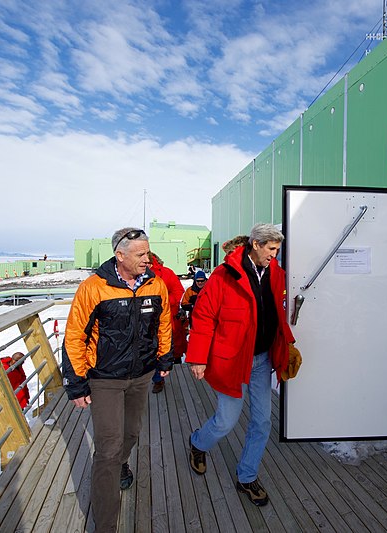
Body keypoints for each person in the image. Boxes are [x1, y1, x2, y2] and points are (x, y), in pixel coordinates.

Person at [62, 227, 173, 533]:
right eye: (141, 254)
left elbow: (163, 324)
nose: (147, 259)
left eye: (148, 253)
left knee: (132, 434)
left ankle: (122, 461)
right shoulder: (94, 288)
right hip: (105, 379)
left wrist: (165, 358)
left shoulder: (155, 285)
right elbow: (74, 336)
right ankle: (106, 525)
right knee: (108, 449)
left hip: (140, 377)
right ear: (119, 255)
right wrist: (77, 383)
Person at [186, 223, 298, 507]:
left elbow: (277, 314)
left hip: (261, 359)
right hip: (232, 360)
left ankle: (247, 476)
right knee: (227, 420)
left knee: (262, 420)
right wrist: (198, 357)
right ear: (256, 245)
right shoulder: (224, 276)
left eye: (277, 250)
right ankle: (198, 443)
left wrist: (286, 345)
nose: (275, 254)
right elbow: (204, 316)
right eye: (271, 249)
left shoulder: (275, 274)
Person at [148, 252, 186, 394]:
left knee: (169, 347)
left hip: (168, 318)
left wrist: (163, 303)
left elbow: (178, 291)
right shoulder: (137, 274)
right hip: (146, 320)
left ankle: (171, 374)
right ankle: (157, 379)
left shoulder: (166, 273)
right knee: (150, 350)